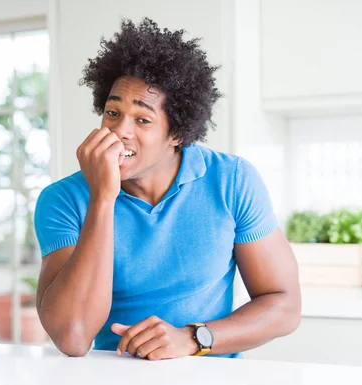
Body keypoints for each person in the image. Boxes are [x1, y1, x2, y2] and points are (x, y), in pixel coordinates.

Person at [34, 18, 301, 360]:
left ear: (178, 134)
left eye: (142, 120)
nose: (119, 131)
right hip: (109, 382)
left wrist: (193, 339)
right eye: (112, 112)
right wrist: (102, 197)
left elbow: (285, 304)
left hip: (211, 382)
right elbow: (72, 337)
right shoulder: (63, 200)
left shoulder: (232, 180)